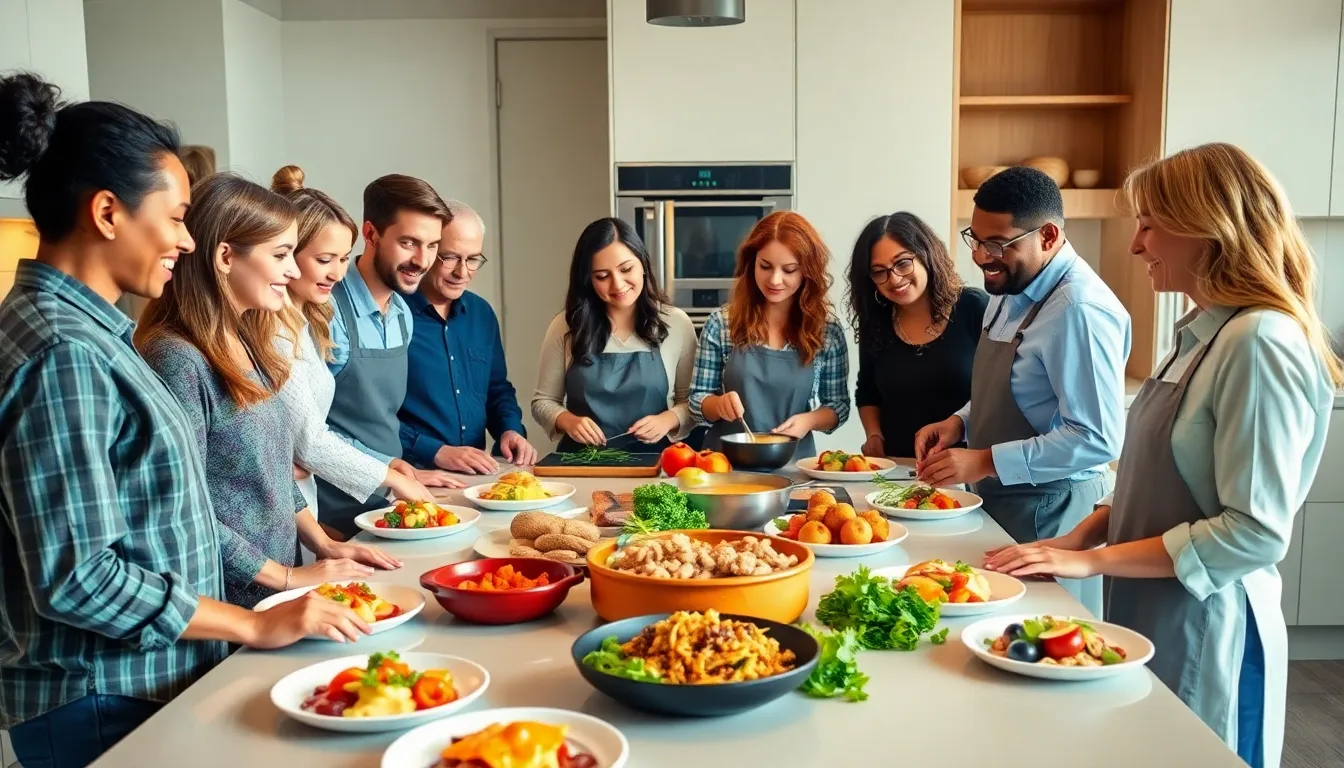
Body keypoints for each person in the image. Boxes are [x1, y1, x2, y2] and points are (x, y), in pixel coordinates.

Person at [0, 72, 367, 768]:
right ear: (108, 213)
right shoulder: (64, 352)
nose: (188, 241)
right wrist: (255, 623)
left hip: (139, 682)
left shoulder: (87, 336)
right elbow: (79, 575)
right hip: (102, 694)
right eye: (174, 218)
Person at [985, 144, 1342, 768]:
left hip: (1208, 620)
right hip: (1151, 603)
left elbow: (1253, 534)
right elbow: (1156, 480)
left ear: (1209, 230)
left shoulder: (1260, 342)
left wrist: (1094, 560)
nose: (1136, 245)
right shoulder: (1201, 333)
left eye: (1149, 224)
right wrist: (1081, 537)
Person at [136, 173, 400, 609]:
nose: (294, 270)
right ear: (224, 256)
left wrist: (322, 544)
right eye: (281, 255)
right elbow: (186, 508)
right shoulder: (177, 359)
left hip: (278, 583)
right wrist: (286, 575)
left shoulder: (249, 342)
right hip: (230, 597)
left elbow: (275, 469)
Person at [913, 166, 1131, 617]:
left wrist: (986, 459)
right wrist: (960, 422)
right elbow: (1018, 387)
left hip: (1054, 511)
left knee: (1039, 644)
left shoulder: (1079, 310)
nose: (980, 256)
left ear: (1048, 236)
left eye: (998, 244)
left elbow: (1096, 438)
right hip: (1005, 500)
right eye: (975, 238)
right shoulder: (1012, 286)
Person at [269, 165, 436, 517]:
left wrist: (391, 466)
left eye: (343, 259)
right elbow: (309, 439)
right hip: (327, 503)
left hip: (334, 501)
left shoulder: (304, 318)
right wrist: (388, 476)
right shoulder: (286, 325)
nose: (337, 272)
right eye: (325, 259)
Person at [320, 174, 459, 538]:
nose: (422, 260)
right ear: (370, 234)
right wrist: (386, 471)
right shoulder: (325, 312)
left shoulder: (403, 315)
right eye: (409, 243)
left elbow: (380, 419)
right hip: (330, 516)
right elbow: (308, 433)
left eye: (432, 246)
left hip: (387, 507)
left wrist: (398, 469)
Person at [690, 211, 850, 458]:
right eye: (765, 266)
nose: (775, 279)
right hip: (723, 466)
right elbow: (697, 400)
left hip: (794, 465)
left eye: (789, 270)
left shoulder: (826, 331)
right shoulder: (722, 324)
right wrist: (718, 405)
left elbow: (838, 406)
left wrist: (809, 420)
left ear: (807, 272)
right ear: (751, 262)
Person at [533, 217, 698, 452]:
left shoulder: (676, 323)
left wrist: (668, 419)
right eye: (602, 276)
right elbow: (542, 402)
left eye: (626, 269)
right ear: (588, 280)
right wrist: (568, 421)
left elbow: (692, 403)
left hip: (655, 464)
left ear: (643, 264)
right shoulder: (566, 325)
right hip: (580, 464)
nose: (617, 284)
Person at [399, 200, 537, 474]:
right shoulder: (393, 315)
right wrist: (434, 451)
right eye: (450, 257)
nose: (462, 272)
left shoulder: (481, 313)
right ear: (429, 251)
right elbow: (372, 415)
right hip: (412, 475)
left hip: (475, 477)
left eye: (473, 259)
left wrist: (510, 429)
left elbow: (497, 389)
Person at [846, 211, 989, 459]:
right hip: (896, 471)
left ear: (926, 255)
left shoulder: (974, 307)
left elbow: (999, 391)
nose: (894, 279)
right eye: (879, 271)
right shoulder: (876, 322)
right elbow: (867, 391)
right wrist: (874, 436)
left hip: (967, 467)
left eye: (902, 263)